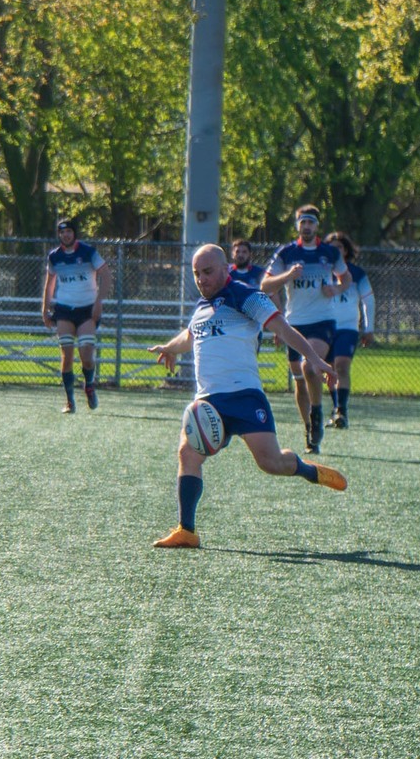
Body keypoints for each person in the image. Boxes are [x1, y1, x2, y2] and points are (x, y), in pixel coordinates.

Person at [148, 244, 347, 549]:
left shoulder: (247, 296)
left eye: (208, 271)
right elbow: (190, 336)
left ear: (225, 268)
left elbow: (285, 328)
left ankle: (309, 471)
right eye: (197, 273)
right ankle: (186, 530)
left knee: (271, 463)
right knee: (187, 454)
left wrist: (315, 358)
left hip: (245, 396)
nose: (202, 279)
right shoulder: (202, 308)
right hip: (208, 401)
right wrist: (169, 348)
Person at [260, 204, 345, 453]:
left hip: (322, 321)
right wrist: (286, 276)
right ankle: (309, 429)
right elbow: (265, 285)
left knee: (311, 365)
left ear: (317, 226)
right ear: (297, 225)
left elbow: (346, 277)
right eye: (302, 222)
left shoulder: (329, 253)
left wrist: (336, 288)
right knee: (299, 381)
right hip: (294, 323)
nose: (306, 226)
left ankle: (317, 412)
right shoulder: (286, 253)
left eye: (311, 222)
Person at [40, 218, 111, 412]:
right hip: (63, 309)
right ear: (59, 235)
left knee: (87, 355)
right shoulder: (54, 256)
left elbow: (106, 276)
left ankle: (89, 384)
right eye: (62, 232)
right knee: (67, 355)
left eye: (69, 231)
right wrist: (45, 309)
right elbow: (50, 284)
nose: (66, 235)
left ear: (74, 233)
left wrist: (99, 301)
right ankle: (69, 401)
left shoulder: (88, 252)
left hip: (87, 309)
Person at [324, 231, 374, 429]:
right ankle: (335, 408)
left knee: (342, 366)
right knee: (329, 371)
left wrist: (369, 328)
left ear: (345, 251)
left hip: (348, 327)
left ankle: (342, 411)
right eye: (332, 248)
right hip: (324, 327)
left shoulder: (356, 274)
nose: (335, 251)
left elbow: (368, 300)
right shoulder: (319, 271)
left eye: (339, 247)